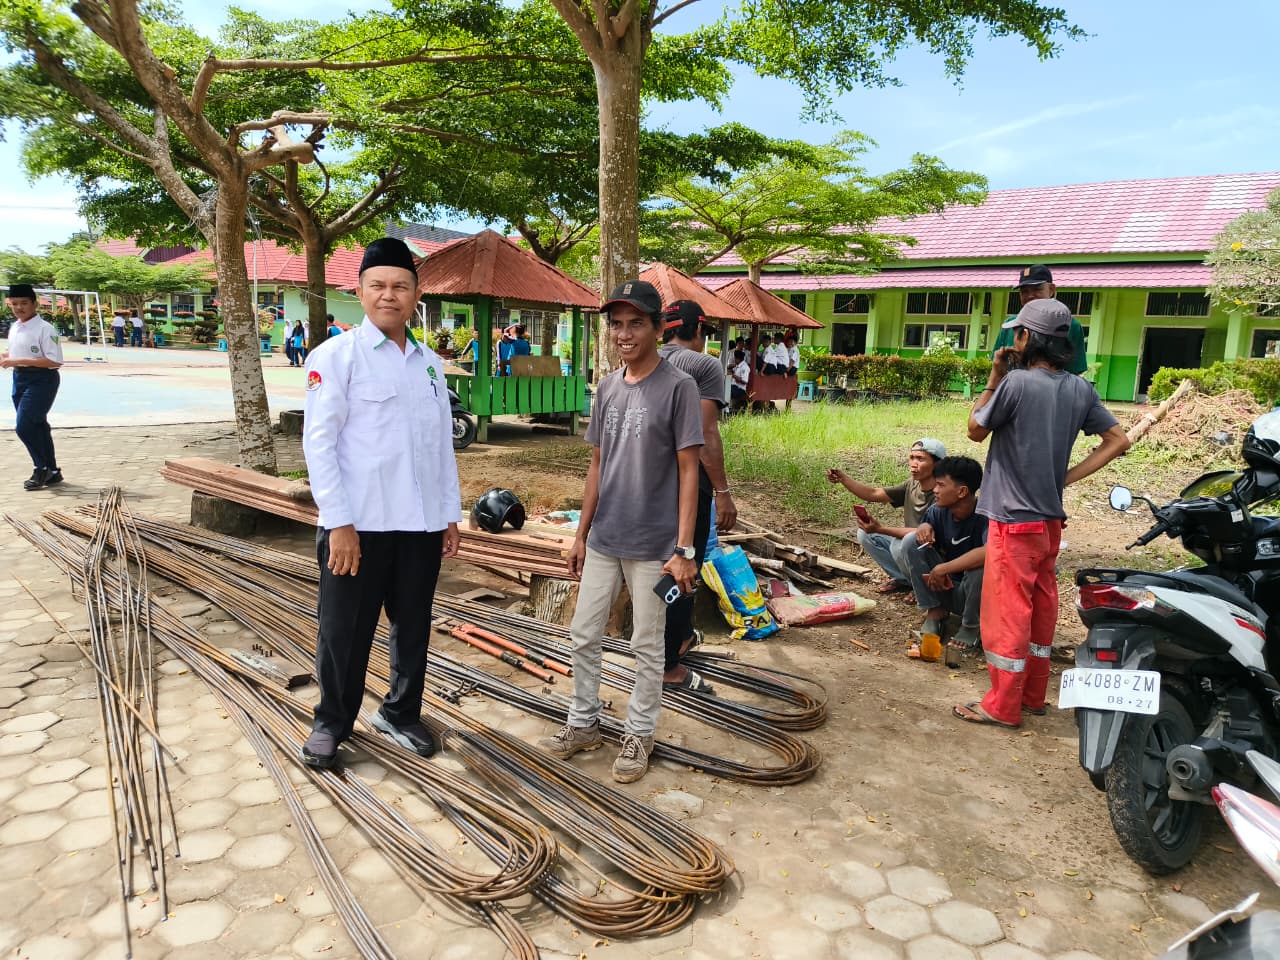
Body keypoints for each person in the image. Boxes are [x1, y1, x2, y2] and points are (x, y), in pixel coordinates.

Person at [299, 237, 462, 768]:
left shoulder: (431, 366)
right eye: (378, 286)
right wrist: (339, 523)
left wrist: (449, 516)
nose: (389, 295)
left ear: (417, 294)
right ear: (360, 291)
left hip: (418, 527)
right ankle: (332, 722)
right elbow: (318, 444)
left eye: (400, 286)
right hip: (358, 527)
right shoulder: (335, 357)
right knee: (344, 631)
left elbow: (440, 450)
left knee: (413, 624)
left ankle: (400, 712)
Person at [538, 279, 703, 783]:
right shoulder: (607, 388)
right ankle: (583, 721)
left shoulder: (679, 388)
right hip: (606, 538)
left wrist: (684, 548)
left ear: (657, 328)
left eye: (636, 323)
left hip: (655, 546)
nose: (624, 333)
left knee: (647, 645)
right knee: (583, 633)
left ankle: (640, 732)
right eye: (617, 325)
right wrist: (580, 535)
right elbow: (596, 465)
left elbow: (690, 471)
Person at [954, 299, 1130, 728]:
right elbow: (1117, 440)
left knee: (1007, 614)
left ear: (1026, 338)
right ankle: (1032, 696)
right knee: (1039, 610)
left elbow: (975, 430)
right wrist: (1063, 479)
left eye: (1017, 332)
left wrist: (996, 373)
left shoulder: (1015, 383)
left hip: (1012, 523)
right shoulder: (1080, 389)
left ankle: (1002, 705)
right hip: (1049, 522)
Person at [656, 299, 739, 693]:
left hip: (648, 486)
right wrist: (723, 492)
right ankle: (670, 663)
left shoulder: (648, 360)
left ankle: (678, 637)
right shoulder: (704, 365)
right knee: (685, 563)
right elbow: (706, 436)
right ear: (698, 330)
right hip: (688, 486)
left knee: (659, 563)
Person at [827, 438, 944, 594]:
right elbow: (873, 494)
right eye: (912, 457)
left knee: (901, 543)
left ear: (937, 464)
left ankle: (922, 588)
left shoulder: (942, 493)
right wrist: (844, 479)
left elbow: (921, 535)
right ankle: (906, 581)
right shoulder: (912, 484)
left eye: (920, 459)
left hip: (933, 553)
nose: (913, 463)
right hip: (910, 544)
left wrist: (881, 529)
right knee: (866, 534)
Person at [901, 456, 987, 657]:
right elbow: (925, 525)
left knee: (982, 566)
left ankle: (971, 625)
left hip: (976, 596)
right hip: (945, 588)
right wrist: (923, 527)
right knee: (910, 542)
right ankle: (935, 611)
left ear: (962, 491)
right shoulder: (938, 510)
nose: (935, 490)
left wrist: (944, 568)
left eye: (940, 485)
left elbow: (989, 551)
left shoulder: (985, 515)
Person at [3, 284, 65, 490]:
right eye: (15, 304)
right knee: (38, 425)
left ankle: (41, 468)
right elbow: (17, 354)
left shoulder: (45, 329)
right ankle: (53, 471)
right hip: (20, 378)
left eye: (24, 303)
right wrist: (7, 357)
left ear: (34, 304)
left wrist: (17, 360)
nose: (19, 308)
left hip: (42, 380)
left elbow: (54, 361)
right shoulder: (15, 327)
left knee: (24, 426)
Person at [989, 265, 1088, 376]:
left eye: (1037, 289)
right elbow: (996, 367)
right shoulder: (1009, 325)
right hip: (1011, 391)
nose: (1030, 296)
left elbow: (1075, 372)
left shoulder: (1070, 325)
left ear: (1051, 290)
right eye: (1024, 291)